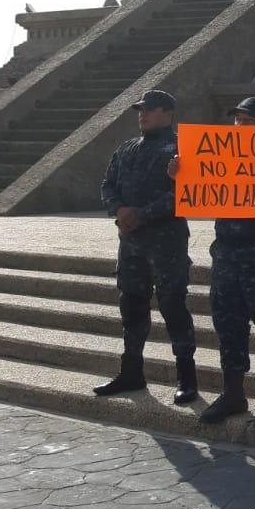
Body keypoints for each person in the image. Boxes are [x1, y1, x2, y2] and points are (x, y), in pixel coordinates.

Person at [168, 97, 255, 428]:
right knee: (228, 328)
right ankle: (234, 393)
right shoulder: (224, 154)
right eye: (238, 121)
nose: (241, 127)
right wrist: (181, 172)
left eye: (249, 121)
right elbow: (199, 188)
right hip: (226, 254)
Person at [95, 90, 197, 405]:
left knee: (173, 307)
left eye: (150, 110)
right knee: (132, 307)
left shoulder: (182, 149)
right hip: (132, 244)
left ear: (168, 113)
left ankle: (187, 378)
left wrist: (141, 215)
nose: (143, 115)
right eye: (140, 110)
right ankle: (132, 372)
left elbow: (184, 192)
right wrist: (119, 210)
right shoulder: (127, 148)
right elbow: (107, 184)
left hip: (166, 242)